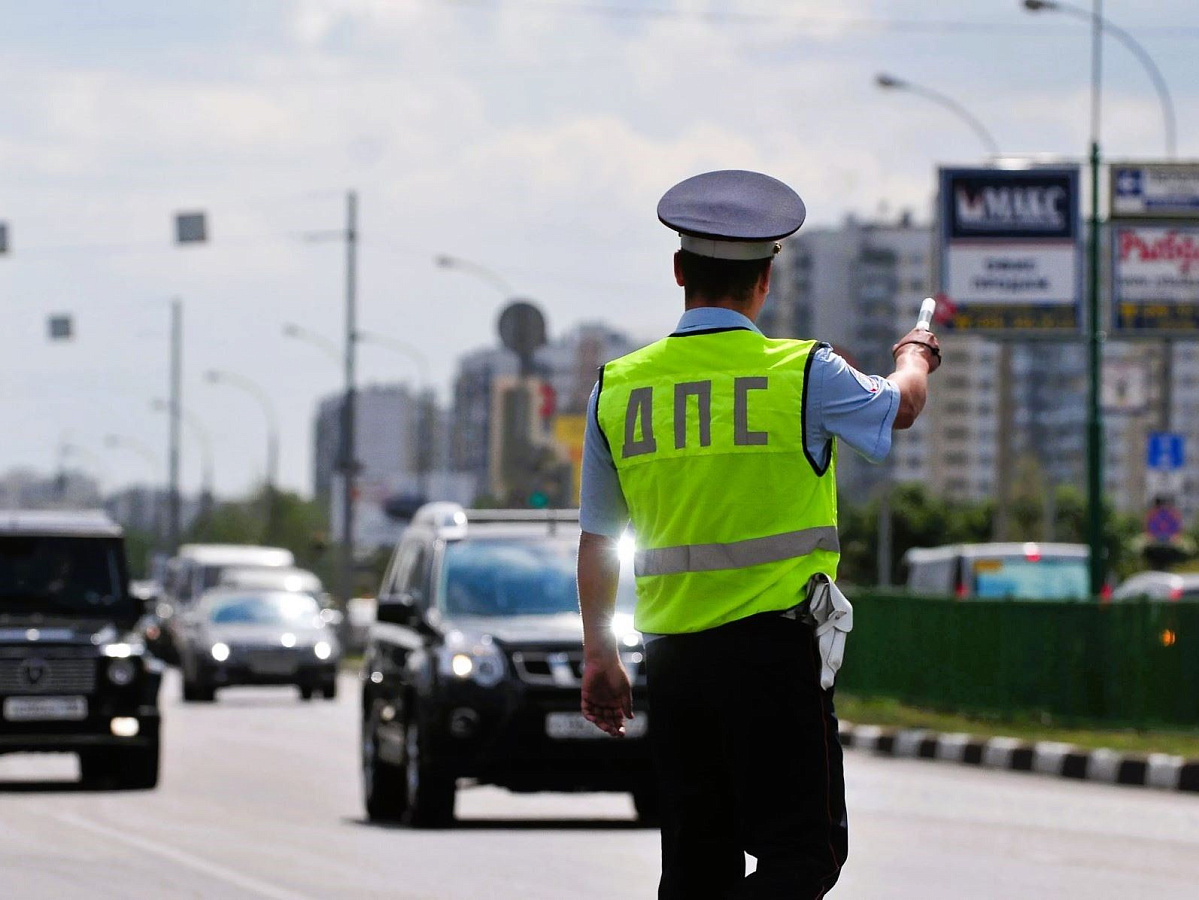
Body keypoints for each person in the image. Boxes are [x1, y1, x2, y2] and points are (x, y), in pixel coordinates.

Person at [576, 169, 940, 899]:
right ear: (767, 279)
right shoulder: (802, 371)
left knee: (695, 866)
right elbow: (899, 409)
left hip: (672, 661)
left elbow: (594, 540)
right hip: (772, 659)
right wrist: (914, 354)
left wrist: (600, 658)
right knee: (803, 855)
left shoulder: (619, 385)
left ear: (678, 271)